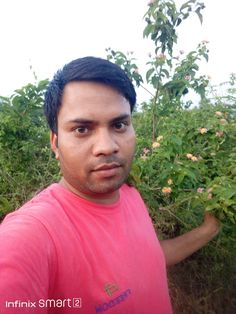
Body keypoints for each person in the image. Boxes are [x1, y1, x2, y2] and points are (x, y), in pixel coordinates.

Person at [0, 57, 220, 314]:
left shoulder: (129, 194)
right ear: (54, 142)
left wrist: (209, 229)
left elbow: (149, 258)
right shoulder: (32, 233)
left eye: (119, 125)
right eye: (82, 129)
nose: (107, 146)